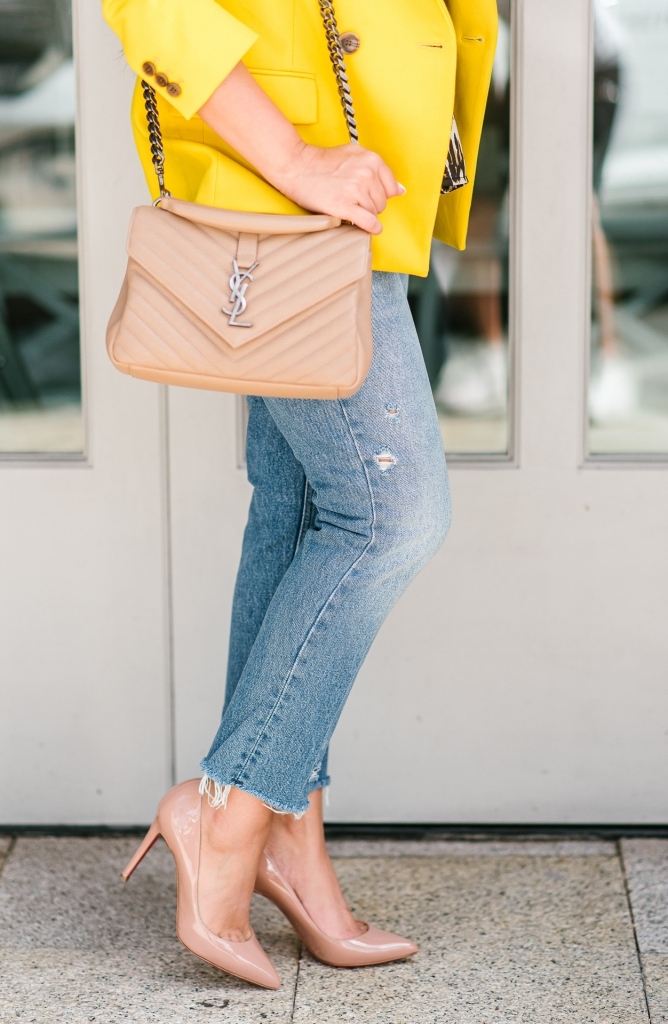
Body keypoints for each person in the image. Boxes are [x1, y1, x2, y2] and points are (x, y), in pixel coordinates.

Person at [104, 0, 497, 990]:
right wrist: (293, 155)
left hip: (349, 177)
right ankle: (227, 805)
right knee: (391, 510)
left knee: (300, 503)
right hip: (290, 181)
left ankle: (288, 842)